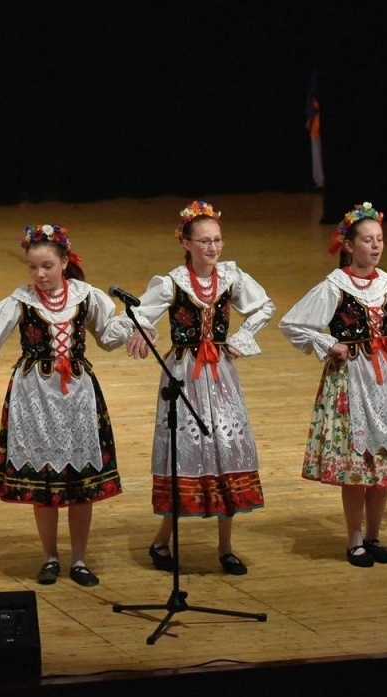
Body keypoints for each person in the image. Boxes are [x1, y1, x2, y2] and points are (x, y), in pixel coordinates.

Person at [0, 223, 124, 587]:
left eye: (48, 266)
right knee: (45, 479)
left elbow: (109, 336)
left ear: (65, 262)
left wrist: (134, 328)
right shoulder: (20, 301)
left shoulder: (86, 296)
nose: (40, 274)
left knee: (80, 480)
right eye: (33, 267)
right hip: (34, 396)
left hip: (78, 397)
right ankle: (50, 556)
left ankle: (80, 559)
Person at [113, 201, 275, 575]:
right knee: (184, 451)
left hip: (220, 372)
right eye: (204, 242)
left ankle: (225, 547)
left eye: (217, 240)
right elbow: (135, 315)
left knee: (225, 447)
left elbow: (264, 306)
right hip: (184, 371)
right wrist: (145, 330)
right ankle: (162, 537)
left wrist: (241, 338)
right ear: (185, 242)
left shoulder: (231, 277)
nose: (213, 248)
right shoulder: (172, 282)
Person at [279, 201, 387, 567]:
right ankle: (354, 538)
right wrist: (327, 343)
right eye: (367, 240)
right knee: (356, 463)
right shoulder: (335, 286)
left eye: (379, 239)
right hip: (351, 379)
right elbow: (293, 324)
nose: (375, 246)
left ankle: (375, 534)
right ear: (348, 245)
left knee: (382, 459)